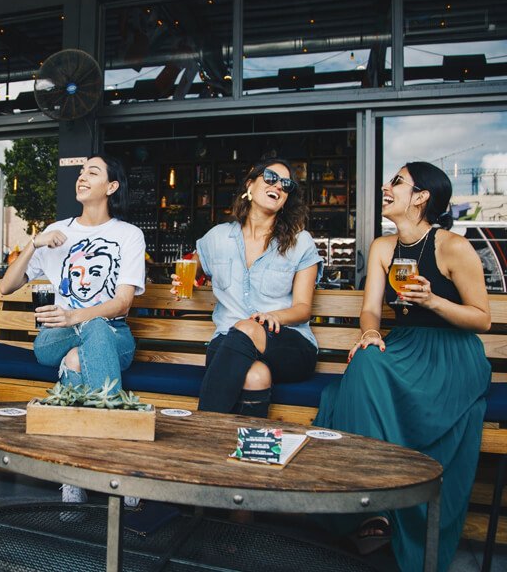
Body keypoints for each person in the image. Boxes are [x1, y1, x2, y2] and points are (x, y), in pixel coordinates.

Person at [314, 162, 490, 572]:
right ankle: (370, 507)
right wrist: (370, 333)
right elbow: (371, 310)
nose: (385, 186)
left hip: (451, 354)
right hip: (405, 345)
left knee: (354, 383)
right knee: (365, 361)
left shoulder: (452, 247)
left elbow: (482, 319)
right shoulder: (382, 247)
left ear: (421, 197)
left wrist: (433, 301)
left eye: (396, 181)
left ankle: (386, 507)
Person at [0, 154, 145, 503]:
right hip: (54, 338)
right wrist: (34, 242)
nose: (82, 177)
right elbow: (6, 286)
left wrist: (75, 316)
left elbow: (122, 303)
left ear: (111, 186)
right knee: (88, 330)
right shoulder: (57, 232)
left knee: (80, 355)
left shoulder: (128, 235)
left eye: (92, 172)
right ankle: (117, 461)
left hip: (113, 335)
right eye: (81, 172)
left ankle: (72, 473)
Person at [174, 158, 323, 418]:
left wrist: (273, 316)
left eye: (286, 184)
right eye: (270, 177)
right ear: (250, 185)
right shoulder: (218, 237)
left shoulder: (300, 242)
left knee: (248, 327)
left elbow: (302, 309)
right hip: (227, 343)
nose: (278, 185)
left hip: (286, 344)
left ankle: (201, 428)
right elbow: (192, 267)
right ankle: (245, 443)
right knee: (256, 376)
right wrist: (184, 279)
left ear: (287, 198)